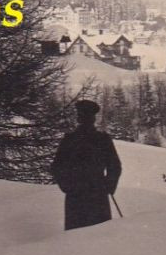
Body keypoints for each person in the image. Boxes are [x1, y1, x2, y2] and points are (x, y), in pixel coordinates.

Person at [50, 98, 123, 230]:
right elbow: (57, 167)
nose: (85, 119)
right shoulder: (71, 140)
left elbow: (115, 166)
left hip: (89, 194)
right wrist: (67, 186)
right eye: (83, 116)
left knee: (94, 236)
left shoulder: (100, 139)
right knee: (91, 236)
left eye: (87, 116)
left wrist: (108, 186)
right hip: (86, 194)